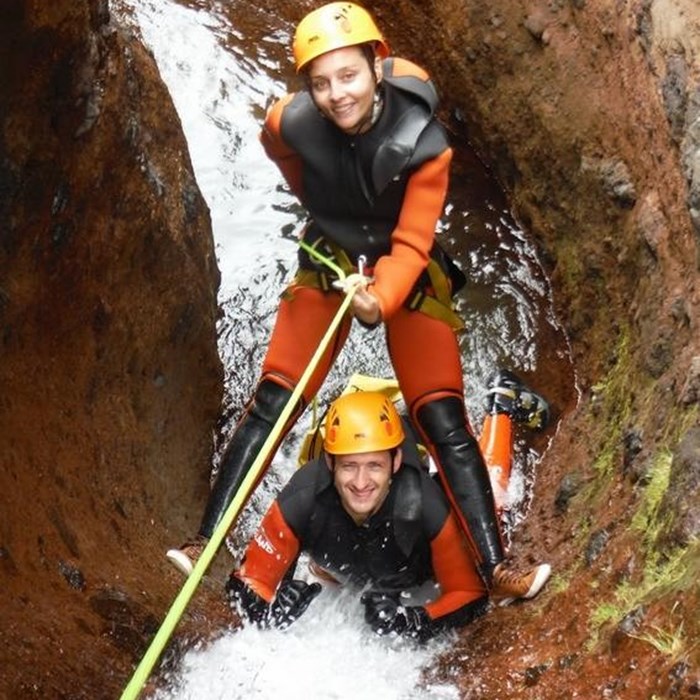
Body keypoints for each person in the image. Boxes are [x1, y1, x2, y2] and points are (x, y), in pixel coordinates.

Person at [167, 1, 545, 598]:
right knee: (275, 400)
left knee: (441, 416)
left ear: (376, 65)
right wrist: (334, 222)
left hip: (404, 269)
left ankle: (496, 567)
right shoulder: (286, 124)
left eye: (348, 76)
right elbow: (296, 170)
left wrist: (380, 299)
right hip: (332, 258)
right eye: (320, 83)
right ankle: (204, 540)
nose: (337, 94)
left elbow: (415, 240)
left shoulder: (425, 143)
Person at [226, 387, 549, 641]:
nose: (361, 483)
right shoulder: (301, 498)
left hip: (416, 567)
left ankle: (500, 405)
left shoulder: (424, 503)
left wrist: (411, 621)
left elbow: (470, 594)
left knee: (489, 511)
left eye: (374, 467)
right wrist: (268, 610)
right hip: (340, 569)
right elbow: (248, 580)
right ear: (330, 464)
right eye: (349, 467)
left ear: (394, 463)